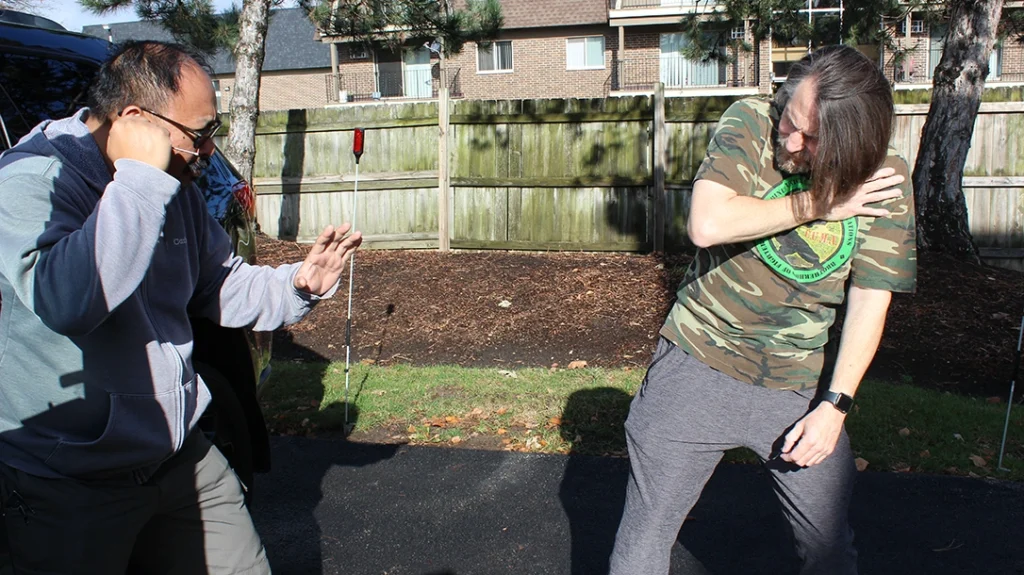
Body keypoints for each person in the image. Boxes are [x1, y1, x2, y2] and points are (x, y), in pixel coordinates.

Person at [0, 41, 361, 573]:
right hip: (70, 476)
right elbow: (71, 302)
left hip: (176, 455)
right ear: (133, 122)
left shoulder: (175, 187)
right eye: (200, 135)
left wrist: (298, 286)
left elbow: (217, 282)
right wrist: (140, 181)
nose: (209, 152)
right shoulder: (33, 185)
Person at [609, 45, 916, 575]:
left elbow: (871, 298)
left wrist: (834, 407)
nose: (790, 142)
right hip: (697, 363)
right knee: (646, 535)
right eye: (791, 120)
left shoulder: (885, 178)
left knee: (830, 554)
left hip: (796, 388)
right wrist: (821, 202)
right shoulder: (752, 120)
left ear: (855, 146)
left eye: (812, 139)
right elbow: (706, 224)